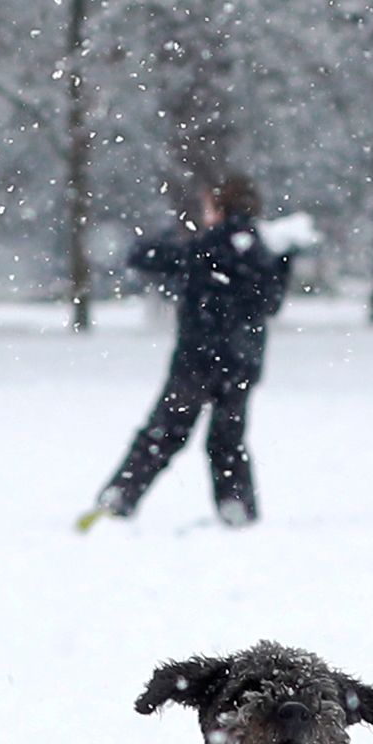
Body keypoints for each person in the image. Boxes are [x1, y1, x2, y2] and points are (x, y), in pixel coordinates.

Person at [83, 179, 296, 530]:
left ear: (218, 206)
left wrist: (158, 240)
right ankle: (235, 504)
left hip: (197, 360)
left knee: (164, 432)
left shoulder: (203, 246)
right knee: (228, 439)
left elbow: (150, 259)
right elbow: (271, 302)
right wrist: (283, 259)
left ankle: (120, 496)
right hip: (242, 361)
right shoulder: (263, 249)